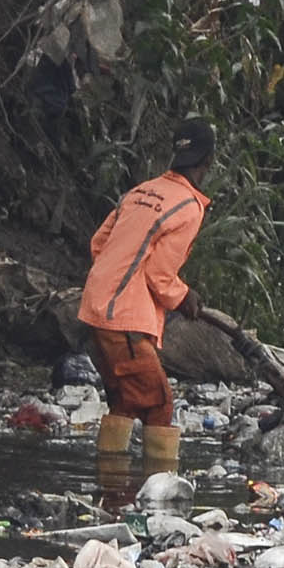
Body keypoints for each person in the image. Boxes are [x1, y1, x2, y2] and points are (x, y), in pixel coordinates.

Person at [76, 120, 214, 481]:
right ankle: (159, 503)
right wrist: (185, 296)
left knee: (124, 402)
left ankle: (109, 494)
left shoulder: (140, 192)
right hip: (123, 317)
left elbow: (98, 244)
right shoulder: (188, 206)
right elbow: (159, 276)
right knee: (158, 404)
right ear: (209, 161)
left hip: (94, 308)